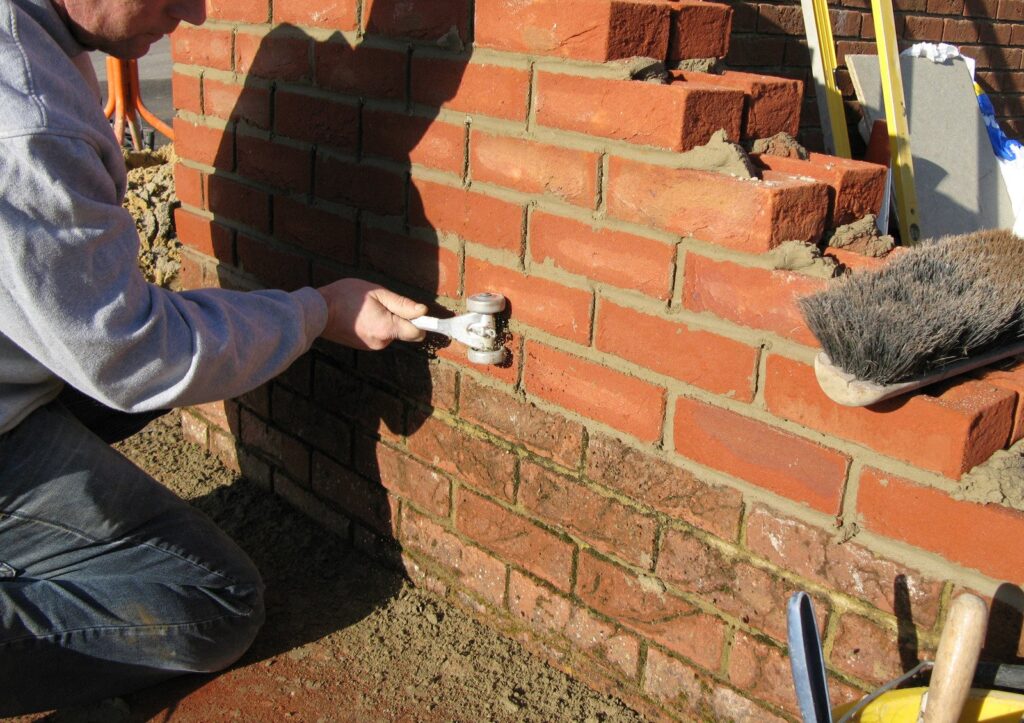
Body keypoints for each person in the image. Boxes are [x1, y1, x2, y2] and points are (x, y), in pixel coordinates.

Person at [0, 0, 429, 714]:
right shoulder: (27, 123)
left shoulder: (35, 34)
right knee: (211, 601)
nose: (194, 13)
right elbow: (133, 355)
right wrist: (317, 312)